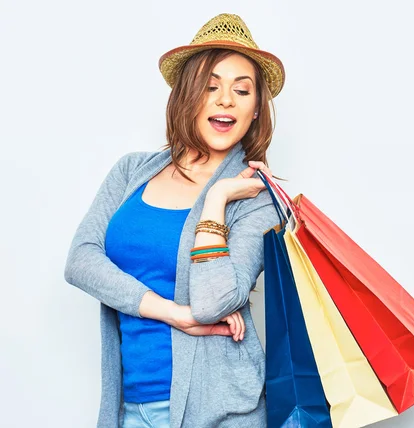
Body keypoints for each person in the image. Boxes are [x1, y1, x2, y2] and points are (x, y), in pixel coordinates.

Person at [63, 13, 285, 428]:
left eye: (242, 90)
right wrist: (169, 311)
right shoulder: (132, 172)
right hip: (131, 407)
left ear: (256, 109)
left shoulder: (255, 200)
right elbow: (80, 262)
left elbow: (213, 303)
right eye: (210, 86)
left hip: (221, 412)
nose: (225, 100)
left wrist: (216, 199)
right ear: (187, 95)